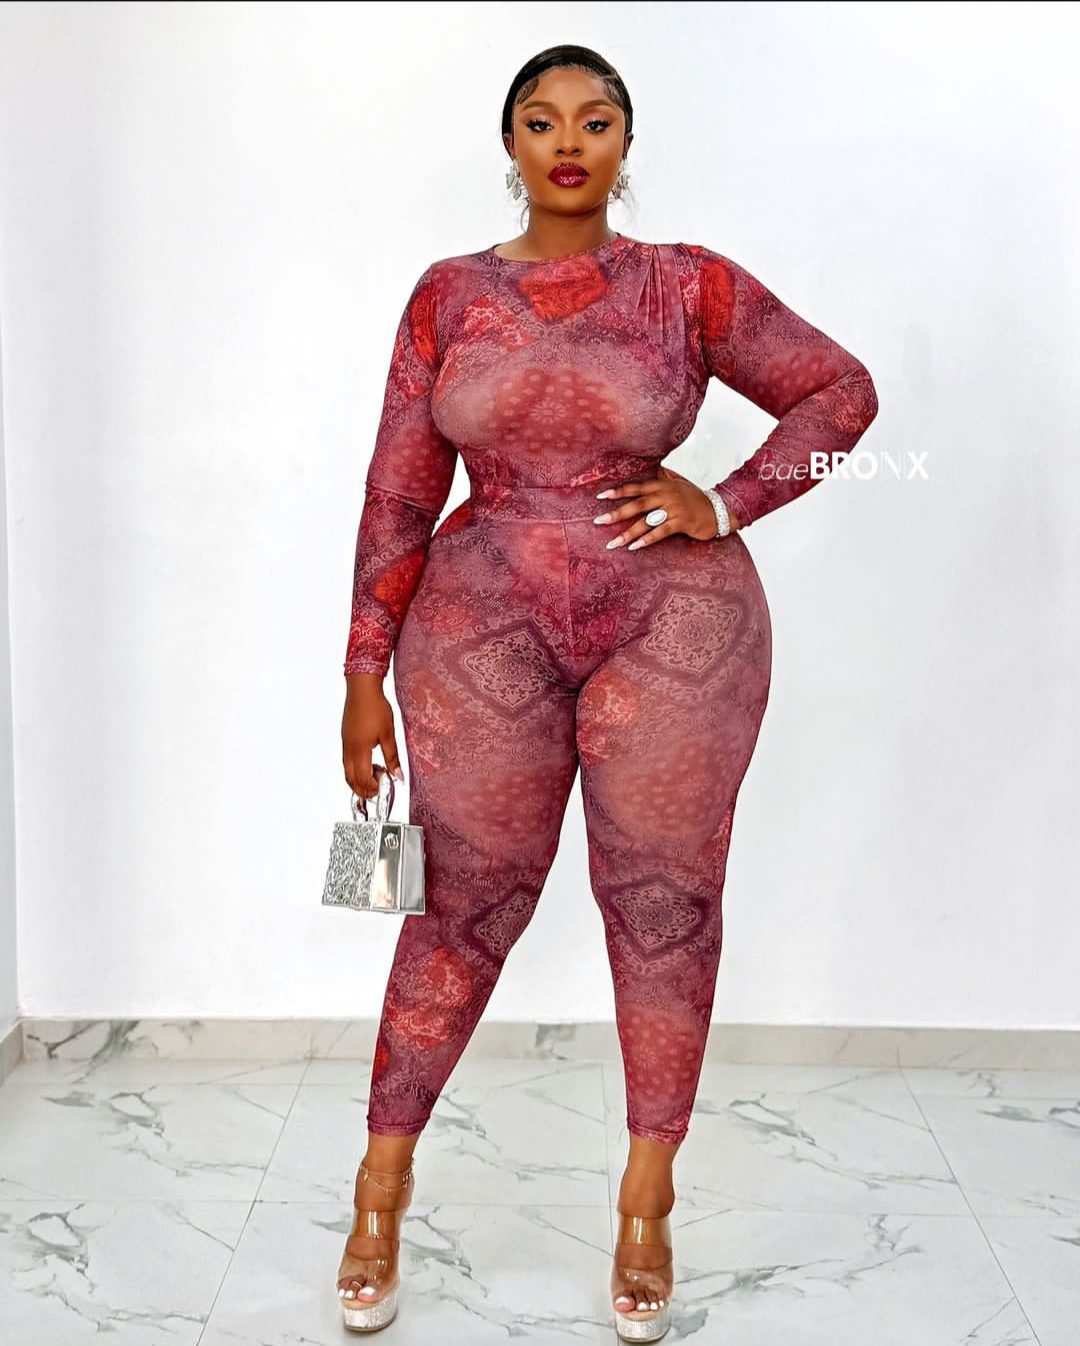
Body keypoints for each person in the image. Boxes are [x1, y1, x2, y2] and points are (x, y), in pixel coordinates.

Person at [335, 43, 878, 1340]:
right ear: (510, 145)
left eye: (595, 120)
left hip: (674, 626)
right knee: (463, 905)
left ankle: (646, 1200)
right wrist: (362, 670)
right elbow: (400, 492)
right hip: (480, 629)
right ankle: (379, 1188)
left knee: (663, 903)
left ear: (626, 144)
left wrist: (726, 500)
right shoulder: (448, 296)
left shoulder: (685, 284)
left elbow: (842, 393)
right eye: (542, 121)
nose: (569, 141)